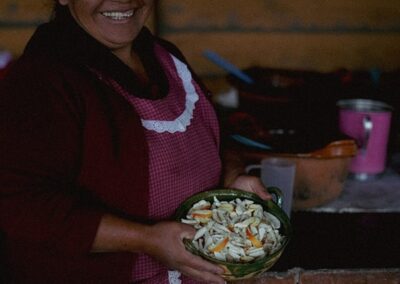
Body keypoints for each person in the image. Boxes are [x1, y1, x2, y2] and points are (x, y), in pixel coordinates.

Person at [0, 0, 271, 283]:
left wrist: (234, 177)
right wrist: (146, 239)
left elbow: (213, 137)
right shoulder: (40, 81)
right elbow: (21, 204)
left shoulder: (166, 58)